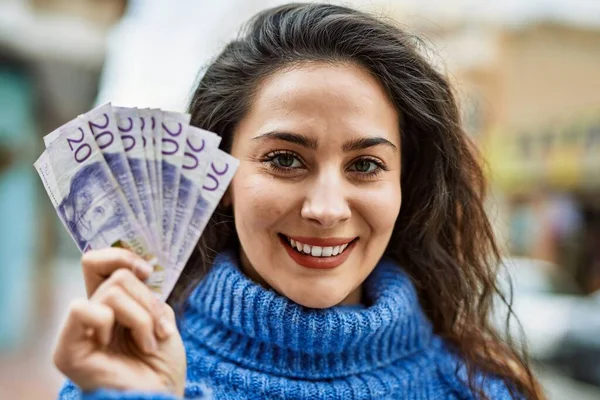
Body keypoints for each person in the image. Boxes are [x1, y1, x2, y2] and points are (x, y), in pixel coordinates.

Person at [53, 3, 544, 399]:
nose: (327, 209)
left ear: (404, 187)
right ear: (218, 179)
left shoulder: (479, 389)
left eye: (366, 165)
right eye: (285, 160)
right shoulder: (118, 374)